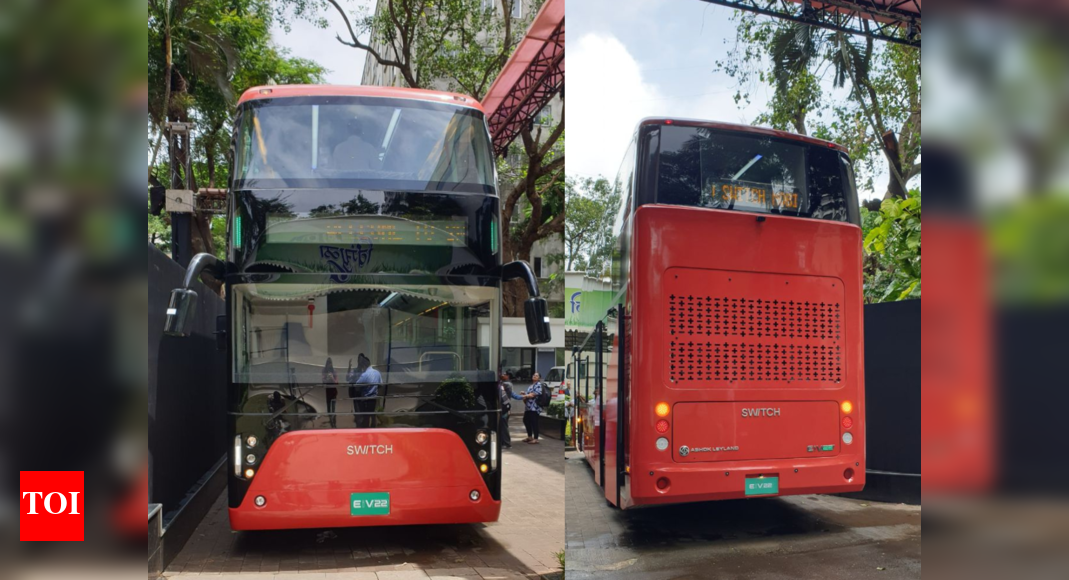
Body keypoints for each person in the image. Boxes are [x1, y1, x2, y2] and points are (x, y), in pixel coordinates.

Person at [348, 353, 382, 428]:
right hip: (374, 398)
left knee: (366, 418)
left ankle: (366, 430)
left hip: (366, 399)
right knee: (372, 415)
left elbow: (357, 385)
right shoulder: (377, 373)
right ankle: (373, 430)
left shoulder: (365, 374)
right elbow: (380, 385)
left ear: (364, 365)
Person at [521, 372, 547, 444]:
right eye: (534, 375)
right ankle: (530, 436)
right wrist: (525, 394)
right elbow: (528, 395)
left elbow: (534, 394)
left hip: (535, 407)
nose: (534, 376)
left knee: (534, 422)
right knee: (526, 420)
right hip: (528, 407)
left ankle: (536, 438)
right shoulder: (530, 386)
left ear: (539, 378)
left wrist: (526, 395)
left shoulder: (538, 385)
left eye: (536, 375)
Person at [498, 373, 522, 449]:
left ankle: (506, 443)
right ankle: (504, 442)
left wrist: (524, 396)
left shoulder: (506, 385)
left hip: (504, 408)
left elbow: (511, 396)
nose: (502, 375)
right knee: (502, 426)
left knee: (504, 426)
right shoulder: (503, 384)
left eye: (504, 374)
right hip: (505, 407)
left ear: (508, 376)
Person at [322, 358, 338, 428]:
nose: (329, 365)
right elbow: (323, 382)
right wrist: (327, 379)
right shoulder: (324, 371)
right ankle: (330, 421)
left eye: (330, 363)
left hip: (333, 391)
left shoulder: (334, 371)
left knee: (333, 407)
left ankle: (333, 423)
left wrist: (332, 378)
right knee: (328, 407)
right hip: (328, 391)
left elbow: (337, 383)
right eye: (328, 363)